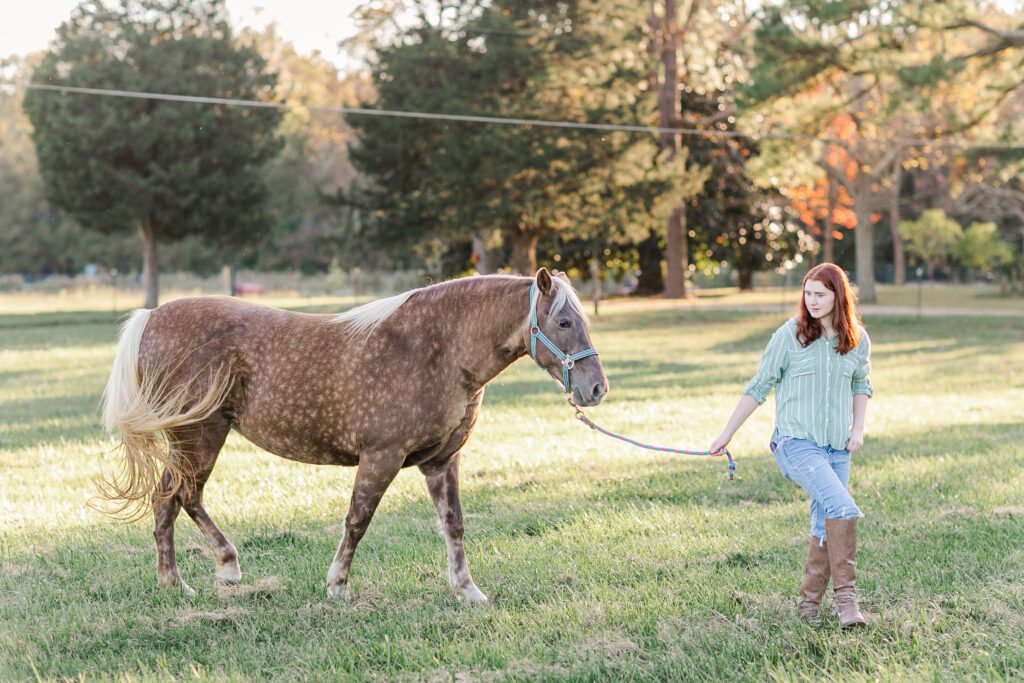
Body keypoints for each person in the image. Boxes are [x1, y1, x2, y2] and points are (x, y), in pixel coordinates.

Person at [709, 263, 873, 627]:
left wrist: (857, 430)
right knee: (843, 510)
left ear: (838, 296)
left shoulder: (856, 339)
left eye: (820, 294)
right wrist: (727, 433)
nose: (811, 301)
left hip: (837, 448)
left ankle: (808, 607)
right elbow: (759, 386)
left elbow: (862, 384)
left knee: (823, 522)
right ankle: (847, 604)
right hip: (795, 444)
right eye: (808, 293)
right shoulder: (790, 335)